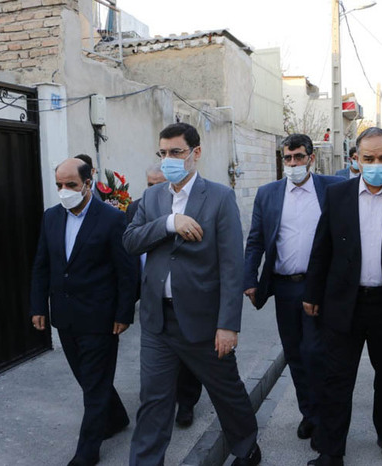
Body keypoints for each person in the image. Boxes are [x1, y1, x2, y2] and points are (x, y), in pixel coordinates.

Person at [124, 123, 260, 466]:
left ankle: (246, 447)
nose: (168, 159)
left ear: (195, 153)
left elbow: (232, 265)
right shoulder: (152, 197)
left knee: (226, 391)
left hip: (204, 322)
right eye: (163, 153)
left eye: (176, 152)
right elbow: (130, 241)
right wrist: (169, 223)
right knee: (153, 400)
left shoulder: (219, 197)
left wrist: (228, 325)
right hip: (158, 321)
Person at [304, 127, 382, 466]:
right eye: (369, 158)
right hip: (343, 302)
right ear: (357, 159)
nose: (376, 164)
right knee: (336, 377)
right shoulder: (338, 195)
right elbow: (322, 247)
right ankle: (331, 449)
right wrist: (312, 292)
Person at [30, 158, 137, 466]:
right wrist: (38, 306)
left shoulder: (111, 219)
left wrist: (123, 313)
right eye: (59, 185)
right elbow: (42, 265)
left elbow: (127, 271)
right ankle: (116, 416)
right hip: (65, 315)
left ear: (88, 183)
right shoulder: (51, 217)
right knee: (88, 377)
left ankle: (87, 450)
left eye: (71, 185)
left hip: (100, 317)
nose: (64, 190)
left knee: (93, 384)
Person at [244, 134, 345, 449]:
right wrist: (249, 278)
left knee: (316, 353)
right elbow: (256, 240)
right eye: (287, 158)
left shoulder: (332, 189)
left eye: (298, 157)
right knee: (295, 354)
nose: (292, 164)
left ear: (311, 158)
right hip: (285, 286)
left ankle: (324, 419)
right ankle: (309, 413)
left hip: (320, 288)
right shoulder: (268, 194)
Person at [126, 163, 203, 429]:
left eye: (159, 184)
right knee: (156, 360)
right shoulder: (136, 208)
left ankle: (187, 403)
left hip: (185, 297)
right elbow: (130, 247)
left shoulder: (190, 206)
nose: (154, 189)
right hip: (151, 295)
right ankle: (158, 404)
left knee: (189, 357)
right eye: (149, 184)